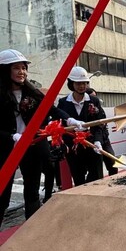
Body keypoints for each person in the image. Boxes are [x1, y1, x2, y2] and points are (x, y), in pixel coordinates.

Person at [0, 49, 80, 226]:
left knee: (32, 192)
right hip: (6, 149)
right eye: (16, 68)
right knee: (2, 196)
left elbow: (50, 110)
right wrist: (13, 137)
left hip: (32, 147)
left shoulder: (32, 93)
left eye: (24, 68)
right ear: (5, 70)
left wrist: (70, 119)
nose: (22, 72)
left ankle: (31, 232)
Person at [58, 67, 105, 186]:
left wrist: (98, 141)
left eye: (85, 83)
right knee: (78, 178)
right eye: (78, 83)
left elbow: (98, 124)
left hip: (91, 144)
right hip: (73, 147)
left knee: (97, 176)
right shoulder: (63, 102)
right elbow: (59, 124)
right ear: (71, 83)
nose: (82, 86)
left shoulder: (94, 101)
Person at [86, 87, 118, 176]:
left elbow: (102, 123)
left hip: (104, 139)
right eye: (92, 97)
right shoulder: (85, 111)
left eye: (95, 97)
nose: (95, 99)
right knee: (96, 170)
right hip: (92, 142)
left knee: (113, 162)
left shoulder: (99, 108)